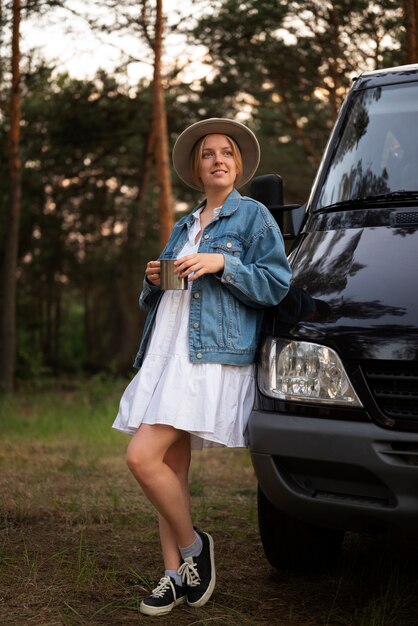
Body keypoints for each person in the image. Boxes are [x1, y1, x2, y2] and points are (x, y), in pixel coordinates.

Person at [112, 118, 291, 617]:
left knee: (141, 458)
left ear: (237, 165)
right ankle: (173, 574)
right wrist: (153, 278)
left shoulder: (254, 218)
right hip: (166, 352)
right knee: (170, 467)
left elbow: (276, 285)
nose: (218, 159)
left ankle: (195, 548)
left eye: (226, 152)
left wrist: (222, 264)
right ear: (197, 167)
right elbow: (165, 296)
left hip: (207, 356)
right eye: (208, 153)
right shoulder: (184, 225)